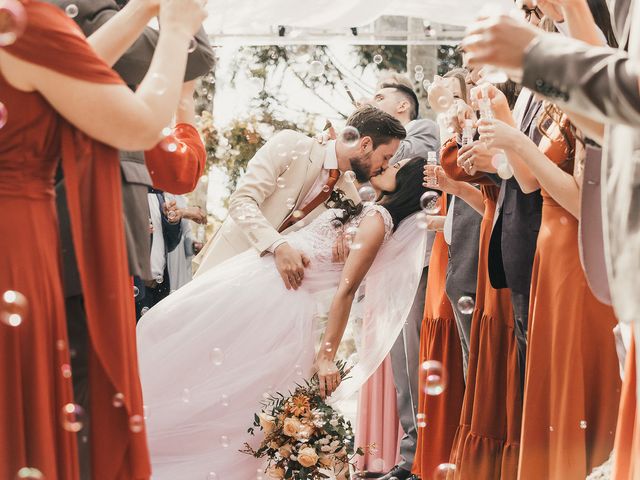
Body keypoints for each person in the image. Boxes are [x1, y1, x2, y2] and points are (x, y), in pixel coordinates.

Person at [0, 0, 207, 478]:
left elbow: (55, 71)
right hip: (15, 249)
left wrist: (137, 11)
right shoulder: (27, 18)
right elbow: (136, 122)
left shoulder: (21, 27)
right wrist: (175, 30)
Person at [136, 157, 431, 479]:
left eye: (397, 164)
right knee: (187, 351)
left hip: (278, 298)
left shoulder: (378, 221)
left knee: (224, 380)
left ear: (408, 182)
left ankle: (162, 449)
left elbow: (346, 292)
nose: (388, 164)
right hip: (256, 279)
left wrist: (327, 356)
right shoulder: (367, 211)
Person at [193, 105, 407, 283]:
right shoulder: (291, 144)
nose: (385, 166)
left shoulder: (352, 199)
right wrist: (278, 246)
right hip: (224, 264)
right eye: (386, 157)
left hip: (266, 289)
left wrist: (345, 240)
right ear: (365, 144)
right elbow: (242, 201)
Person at [357, 77, 440, 480]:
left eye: (379, 98)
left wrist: (369, 127)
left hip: (421, 263)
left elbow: (402, 161)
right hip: (393, 269)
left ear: (403, 108)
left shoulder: (423, 131)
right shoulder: (375, 155)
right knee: (401, 361)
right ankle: (409, 459)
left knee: (416, 357)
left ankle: (418, 459)